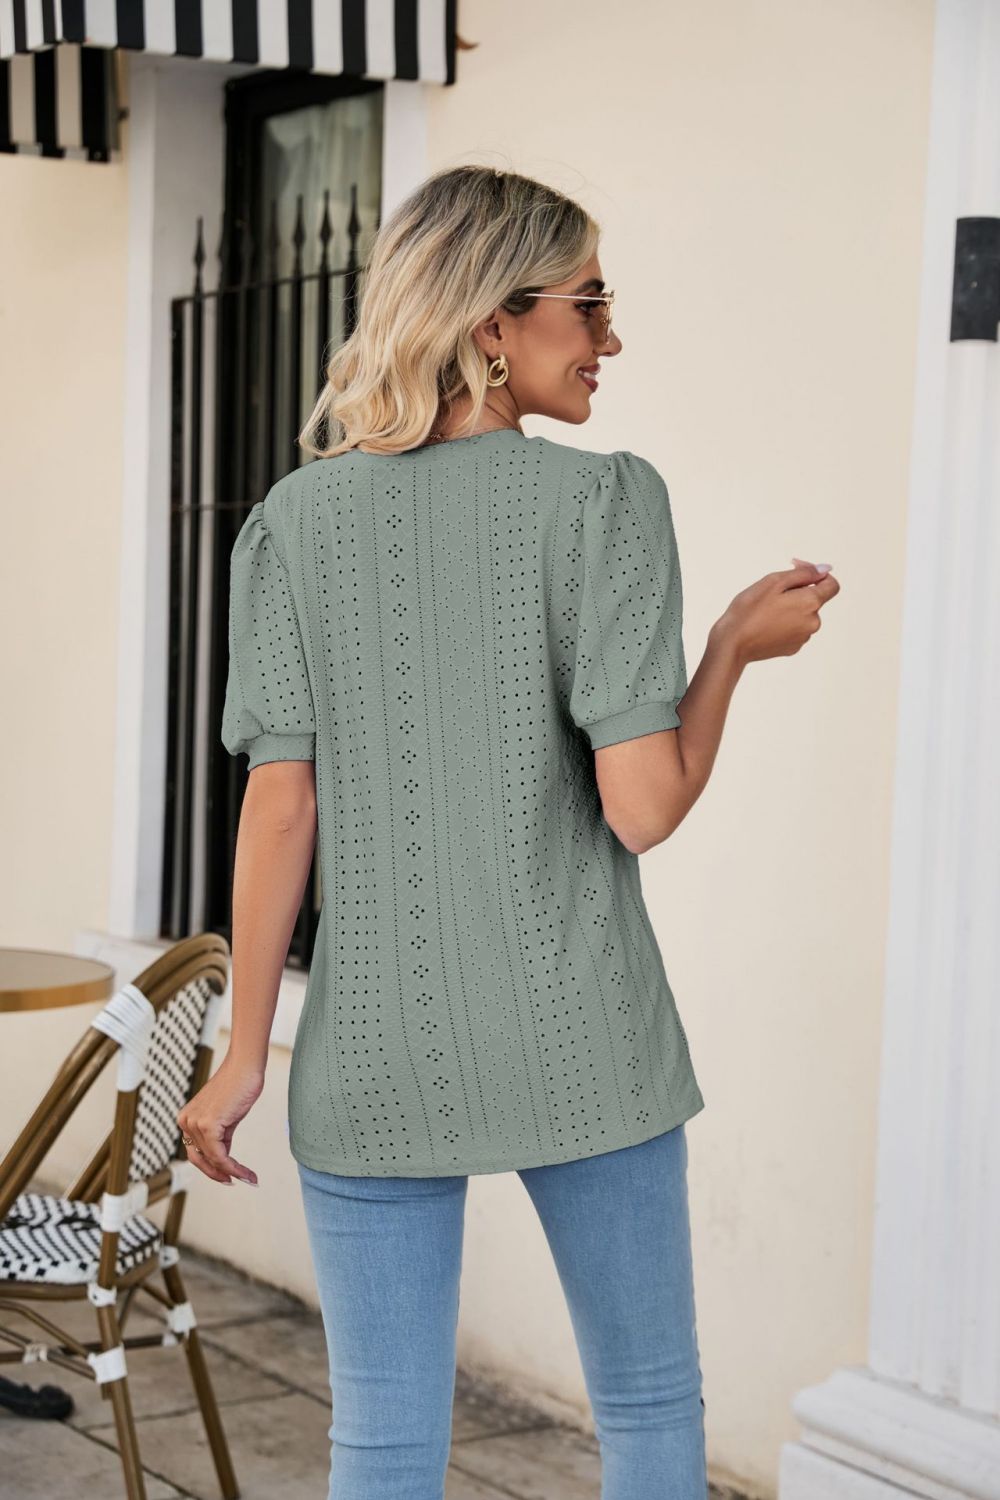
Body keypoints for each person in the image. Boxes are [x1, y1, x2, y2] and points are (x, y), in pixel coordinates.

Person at [178, 163, 839, 1499]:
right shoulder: (603, 505)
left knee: (381, 1446)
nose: (610, 338)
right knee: (647, 1413)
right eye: (588, 304)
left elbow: (279, 807)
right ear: (494, 322)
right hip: (582, 1030)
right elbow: (642, 808)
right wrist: (727, 651)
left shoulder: (294, 524)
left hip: (371, 1047)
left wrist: (244, 1052)